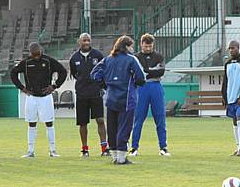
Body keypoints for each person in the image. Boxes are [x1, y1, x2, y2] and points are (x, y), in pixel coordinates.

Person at [91, 35, 146, 165]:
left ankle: (115, 156)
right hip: (127, 98)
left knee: (112, 127)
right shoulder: (131, 60)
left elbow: (94, 74)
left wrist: (105, 85)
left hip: (110, 98)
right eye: (131, 45)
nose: (132, 48)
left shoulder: (107, 59)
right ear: (126, 46)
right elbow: (141, 78)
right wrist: (135, 83)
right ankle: (122, 157)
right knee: (124, 127)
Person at [11, 42, 67, 158]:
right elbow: (13, 73)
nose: (36, 57)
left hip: (45, 98)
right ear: (31, 54)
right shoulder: (26, 63)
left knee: (49, 123)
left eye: (38, 54)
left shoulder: (48, 61)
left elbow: (63, 71)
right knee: (31, 123)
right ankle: (30, 150)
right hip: (31, 97)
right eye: (34, 55)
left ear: (41, 51)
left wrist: (54, 86)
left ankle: (52, 150)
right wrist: (22, 88)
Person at [129, 33, 170, 157]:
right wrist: (151, 71)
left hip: (156, 86)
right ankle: (134, 147)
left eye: (150, 46)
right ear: (141, 44)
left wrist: (146, 71)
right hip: (142, 87)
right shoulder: (135, 57)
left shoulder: (159, 56)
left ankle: (163, 147)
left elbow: (161, 71)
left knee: (160, 118)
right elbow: (137, 73)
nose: (148, 49)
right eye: (146, 46)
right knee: (138, 118)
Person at [69, 33, 109, 158]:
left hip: (95, 93)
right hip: (81, 94)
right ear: (79, 42)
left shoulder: (98, 55)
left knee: (100, 120)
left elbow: (104, 71)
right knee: (82, 123)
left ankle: (104, 147)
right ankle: (85, 149)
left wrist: (100, 85)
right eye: (84, 40)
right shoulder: (74, 58)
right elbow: (75, 74)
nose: (86, 43)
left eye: (88, 40)